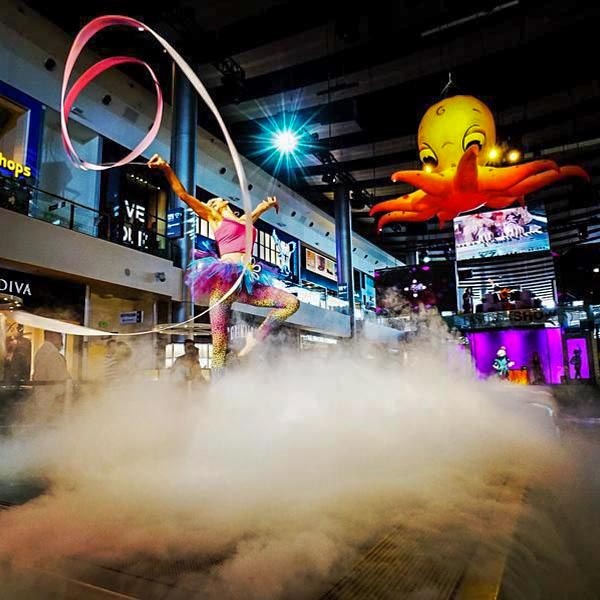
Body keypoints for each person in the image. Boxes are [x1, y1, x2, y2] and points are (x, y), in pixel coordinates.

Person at [148, 154, 300, 375]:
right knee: (219, 343)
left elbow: (256, 211)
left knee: (291, 303)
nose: (214, 200)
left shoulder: (243, 220)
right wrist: (166, 168)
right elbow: (183, 195)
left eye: (214, 200)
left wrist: (269, 205)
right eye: (212, 202)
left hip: (246, 282)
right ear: (214, 208)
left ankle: (255, 340)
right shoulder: (214, 216)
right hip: (223, 282)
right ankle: (218, 391)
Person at [32, 330, 71, 410]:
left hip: (42, 399)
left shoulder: (41, 352)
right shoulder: (52, 354)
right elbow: (60, 381)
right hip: (51, 401)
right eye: (60, 336)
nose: (62, 340)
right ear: (52, 335)